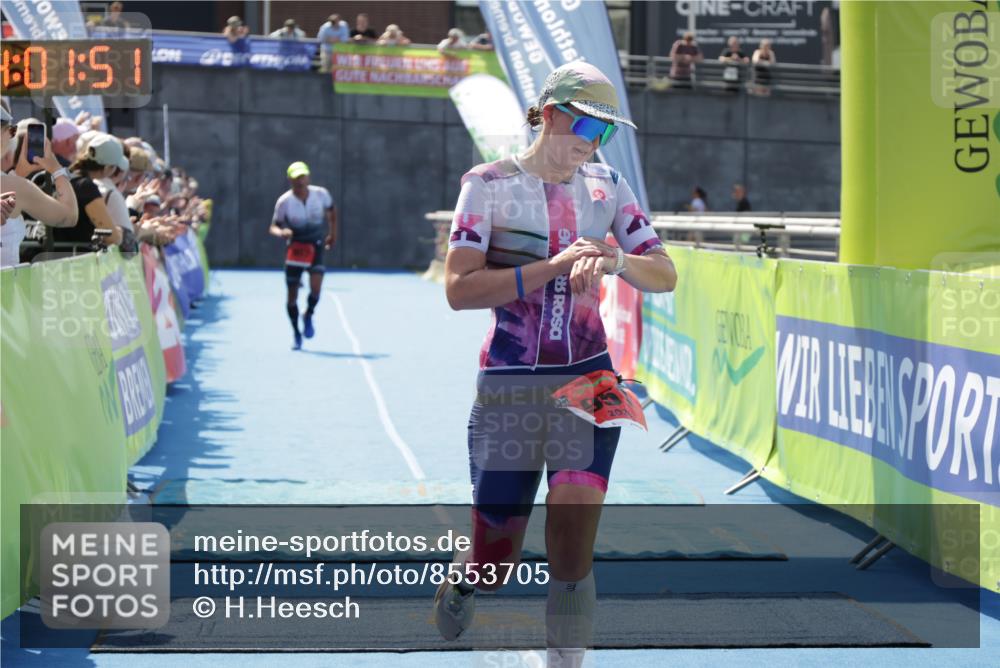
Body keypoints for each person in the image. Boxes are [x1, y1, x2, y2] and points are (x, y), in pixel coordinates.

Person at [435, 62, 676, 667]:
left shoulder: (609, 184)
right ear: (549, 115)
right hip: (510, 387)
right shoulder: (486, 184)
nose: (593, 142)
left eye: (605, 132)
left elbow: (665, 274)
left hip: (590, 380)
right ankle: (467, 576)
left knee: (572, 543)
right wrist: (554, 266)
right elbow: (459, 290)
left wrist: (618, 261)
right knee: (495, 564)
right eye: (586, 126)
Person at [269, 162, 338, 350]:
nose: (300, 181)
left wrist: (332, 234)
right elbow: (274, 226)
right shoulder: (284, 202)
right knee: (292, 295)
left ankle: (308, 314)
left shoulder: (321, 195)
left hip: (315, 245)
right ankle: (296, 332)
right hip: (296, 248)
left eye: (303, 176)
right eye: (296, 178)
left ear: (308, 177)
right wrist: (281, 232)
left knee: (316, 288)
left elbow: (332, 211)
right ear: (290, 179)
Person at [1, 105, 78, 267]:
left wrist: (18, 175)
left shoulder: (14, 185)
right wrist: (56, 169)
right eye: (11, 131)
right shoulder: (16, 187)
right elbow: (68, 216)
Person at [51, 133, 126, 250]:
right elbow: (113, 237)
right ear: (107, 168)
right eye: (115, 167)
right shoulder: (86, 187)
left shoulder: (61, 177)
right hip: (72, 258)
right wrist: (120, 231)